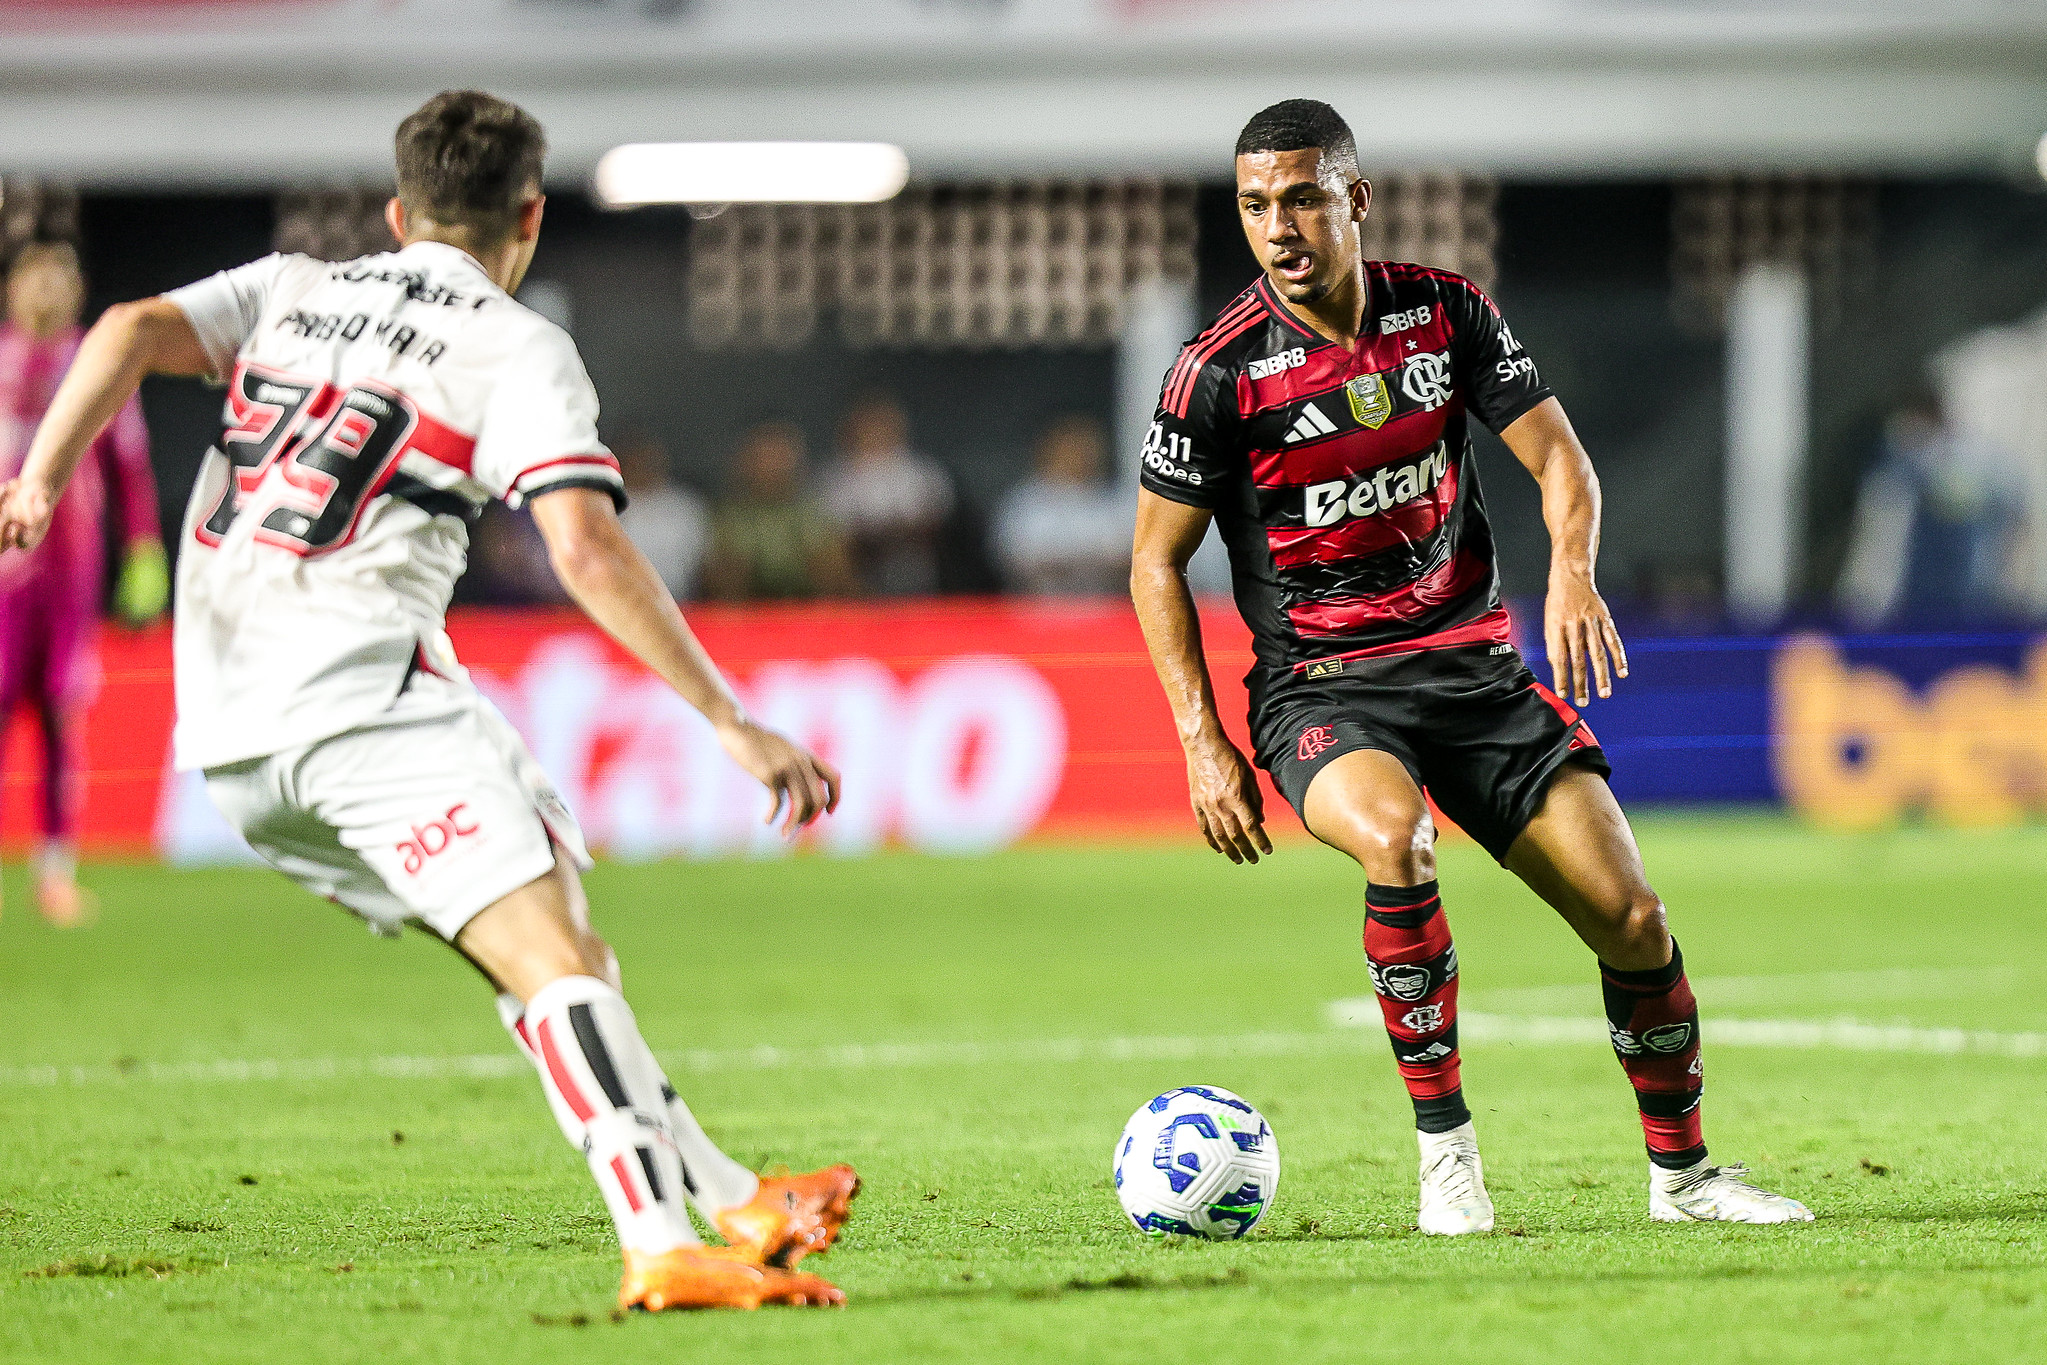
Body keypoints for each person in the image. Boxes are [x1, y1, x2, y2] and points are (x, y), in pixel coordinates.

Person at [0, 91, 857, 1311]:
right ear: (531, 218)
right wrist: (729, 716)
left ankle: (728, 1195)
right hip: (357, 706)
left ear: (399, 214)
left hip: (232, 732)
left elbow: (130, 327)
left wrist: (38, 479)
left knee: (549, 927)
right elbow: (585, 548)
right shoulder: (514, 345)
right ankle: (662, 1241)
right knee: (555, 958)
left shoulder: (293, 288)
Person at [1128, 99, 1812, 1235]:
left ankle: (1686, 1181)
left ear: (1354, 197)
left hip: (1477, 677)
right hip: (1323, 689)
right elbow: (1155, 562)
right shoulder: (1216, 371)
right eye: (1253, 206)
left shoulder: (1443, 315)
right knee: (1397, 839)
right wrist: (1203, 743)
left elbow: (1561, 461)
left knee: (1633, 917)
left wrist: (1574, 572)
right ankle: (1447, 1163)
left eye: (1300, 198)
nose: (1278, 227)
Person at [0, 239, 165, 926]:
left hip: (68, 573)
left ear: (74, 291)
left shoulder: (94, 364)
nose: (44, 294)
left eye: (56, 282)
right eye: (33, 281)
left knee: (61, 719)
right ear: (12, 291)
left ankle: (54, 874)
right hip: (3, 579)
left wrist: (144, 550)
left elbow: (129, 464)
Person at [701, 421, 856, 602]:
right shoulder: (730, 516)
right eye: (762, 457)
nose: (771, 466)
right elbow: (723, 583)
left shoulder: (814, 511)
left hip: (808, 608)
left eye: (779, 456)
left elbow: (836, 577)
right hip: (750, 611)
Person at [819, 393, 952, 596]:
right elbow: (830, 533)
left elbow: (936, 523)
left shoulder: (923, 473)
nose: (875, 431)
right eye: (869, 424)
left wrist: (895, 532)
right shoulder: (833, 479)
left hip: (914, 574)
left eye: (882, 423)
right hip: (858, 579)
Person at [993, 414, 1131, 595]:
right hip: (1041, 604)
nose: (1079, 454)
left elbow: (1129, 554)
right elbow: (1017, 555)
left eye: (1085, 446)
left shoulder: (1117, 499)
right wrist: (1089, 558)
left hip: (1106, 603)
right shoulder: (1025, 502)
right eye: (1070, 446)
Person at [615, 427, 709, 601]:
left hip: (683, 603)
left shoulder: (684, 506)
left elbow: (705, 566)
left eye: (646, 458)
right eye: (634, 458)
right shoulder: (607, 506)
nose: (640, 464)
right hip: (620, 603)